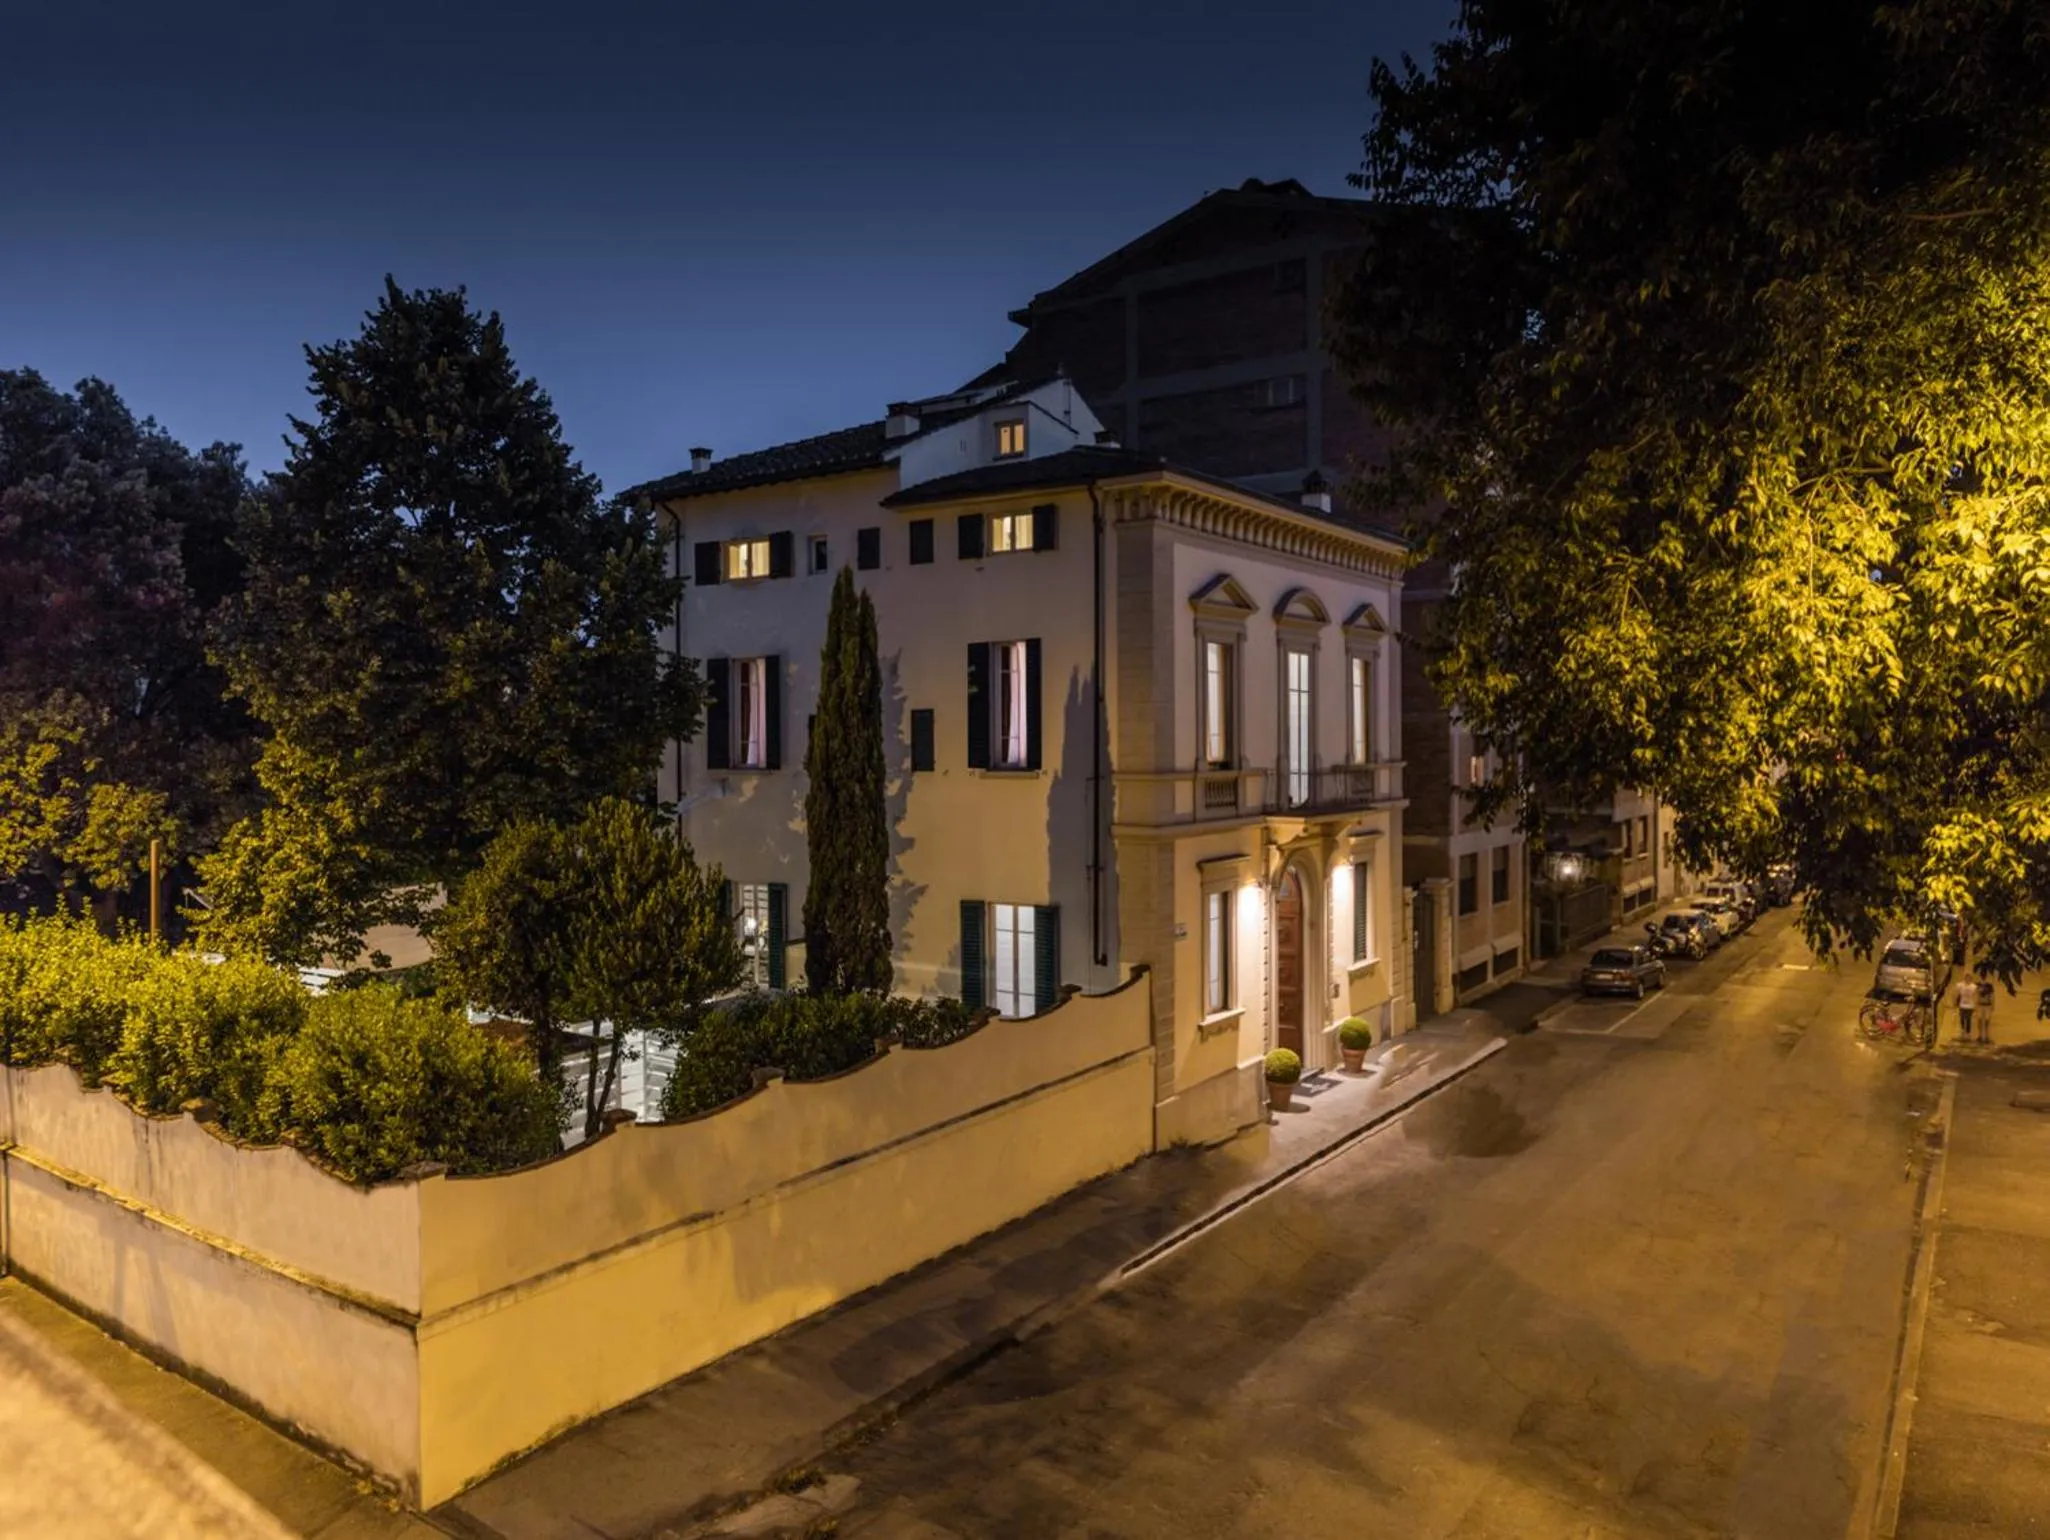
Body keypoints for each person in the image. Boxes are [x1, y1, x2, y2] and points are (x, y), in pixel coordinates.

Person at [1956, 975, 1978, 1042]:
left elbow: (1975, 996)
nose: (1967, 980)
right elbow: (1956, 993)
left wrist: (1975, 1006)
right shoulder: (1960, 985)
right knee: (1962, 1018)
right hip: (1962, 1005)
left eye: (1969, 979)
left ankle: (1968, 1033)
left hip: (1970, 1006)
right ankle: (1963, 1030)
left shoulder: (1974, 986)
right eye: (1966, 979)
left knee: (1968, 1019)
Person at [1978, 978, 1995, 1044]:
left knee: (1987, 1022)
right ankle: (1980, 1036)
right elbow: (1976, 995)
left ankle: (1987, 1036)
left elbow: (1992, 996)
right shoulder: (1978, 985)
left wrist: (1993, 1005)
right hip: (1980, 1005)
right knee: (1980, 1021)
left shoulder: (1989, 986)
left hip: (1987, 1005)